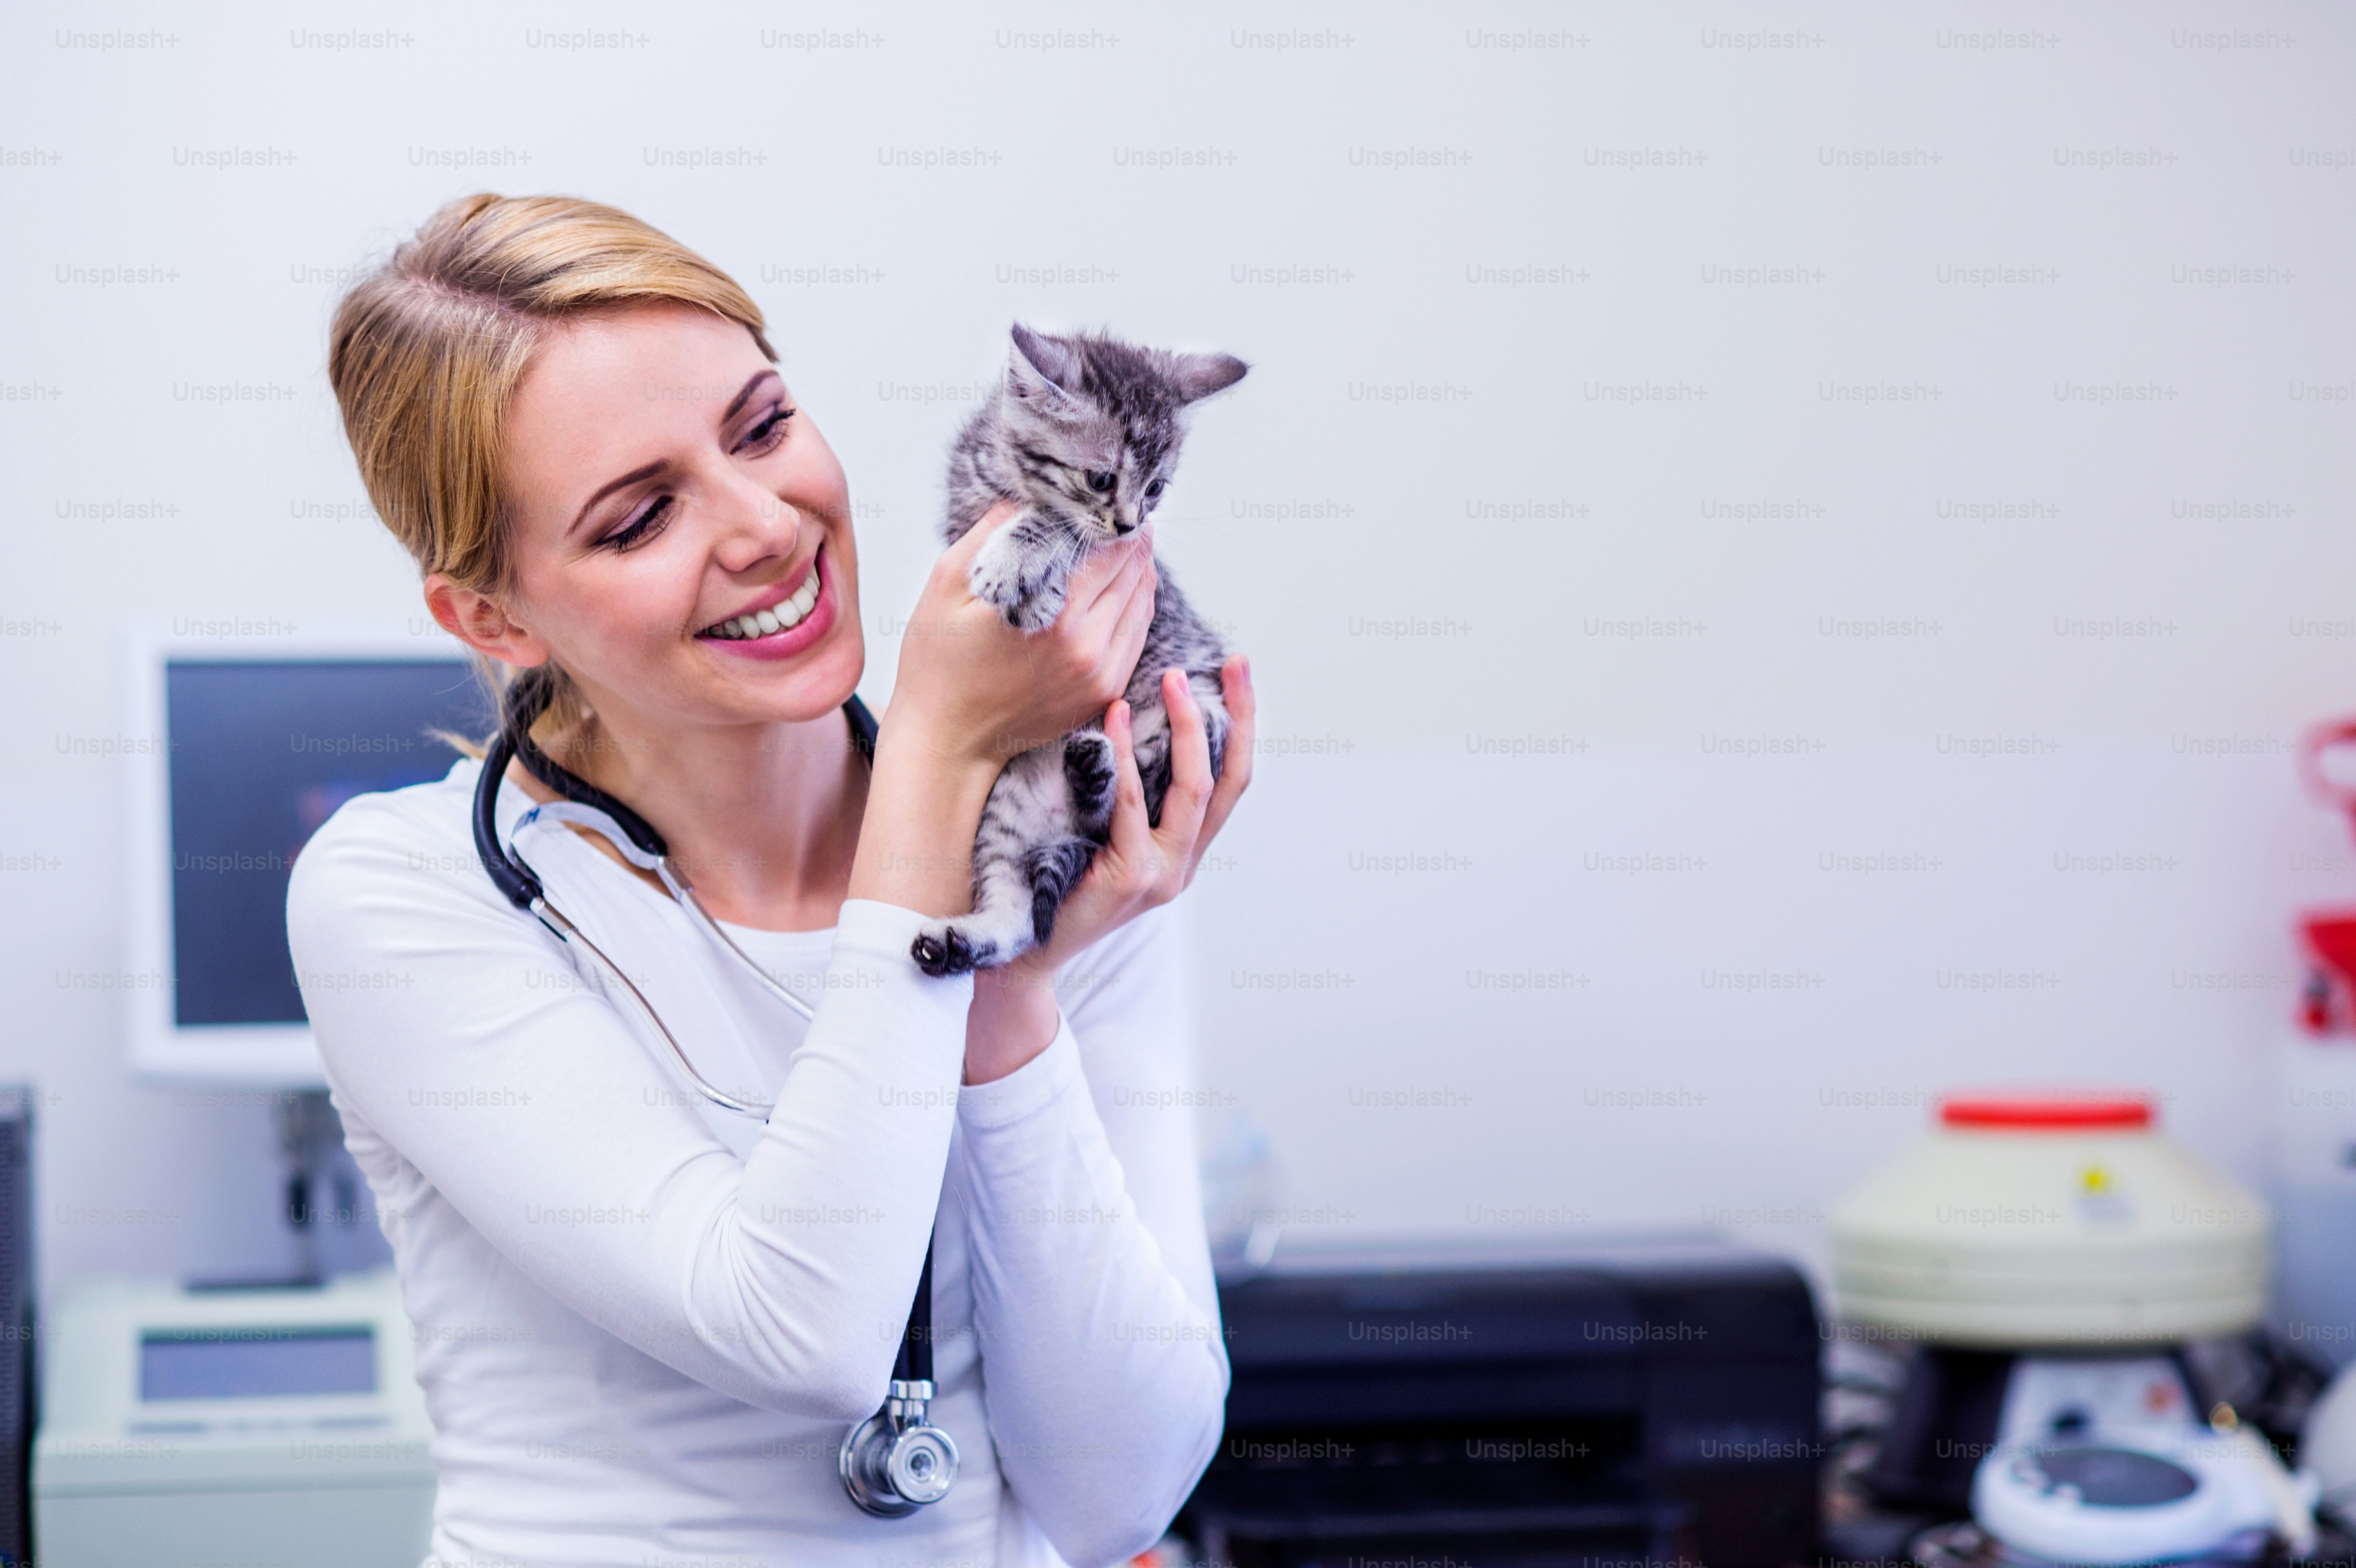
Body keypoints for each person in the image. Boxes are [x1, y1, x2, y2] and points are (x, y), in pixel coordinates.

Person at [288, 193, 1254, 1568]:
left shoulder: (1058, 851)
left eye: (765, 428)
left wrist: (1010, 992)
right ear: (491, 616)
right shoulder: (405, 893)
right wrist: (940, 749)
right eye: (638, 519)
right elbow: (799, 1331)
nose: (765, 527)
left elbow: (1120, 1495)